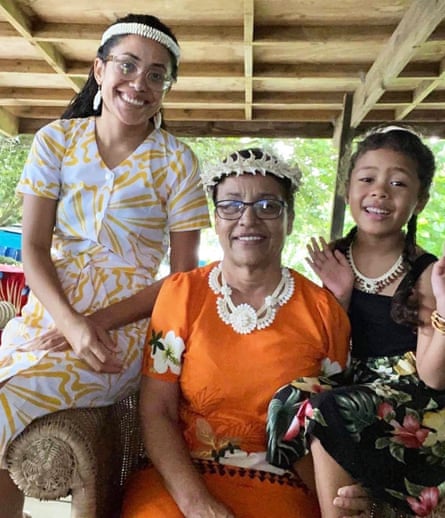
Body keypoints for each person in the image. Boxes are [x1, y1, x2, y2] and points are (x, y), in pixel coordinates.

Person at [0, 13, 209, 518]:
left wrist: (95, 325)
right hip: (49, 313)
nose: (140, 84)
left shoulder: (178, 161)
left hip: (128, 327)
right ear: (99, 69)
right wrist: (70, 323)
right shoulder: (55, 141)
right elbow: (32, 247)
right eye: (128, 65)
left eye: (157, 74)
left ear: (167, 87)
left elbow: (183, 280)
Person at [120, 147, 352, 518]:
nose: (248, 219)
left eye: (268, 206)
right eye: (231, 205)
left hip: (285, 485)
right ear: (215, 219)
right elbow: (156, 409)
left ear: (289, 220)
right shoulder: (181, 295)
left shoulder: (324, 312)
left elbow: (331, 431)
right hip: (181, 482)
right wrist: (196, 503)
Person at [267, 125, 445, 517]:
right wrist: (340, 296)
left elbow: (434, 378)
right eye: (367, 179)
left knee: (329, 408)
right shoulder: (337, 256)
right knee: (286, 402)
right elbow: (328, 352)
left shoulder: (427, 273)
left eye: (398, 183)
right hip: (355, 386)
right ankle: (360, 503)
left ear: (420, 200)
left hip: (417, 401)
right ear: (347, 191)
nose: (380, 191)